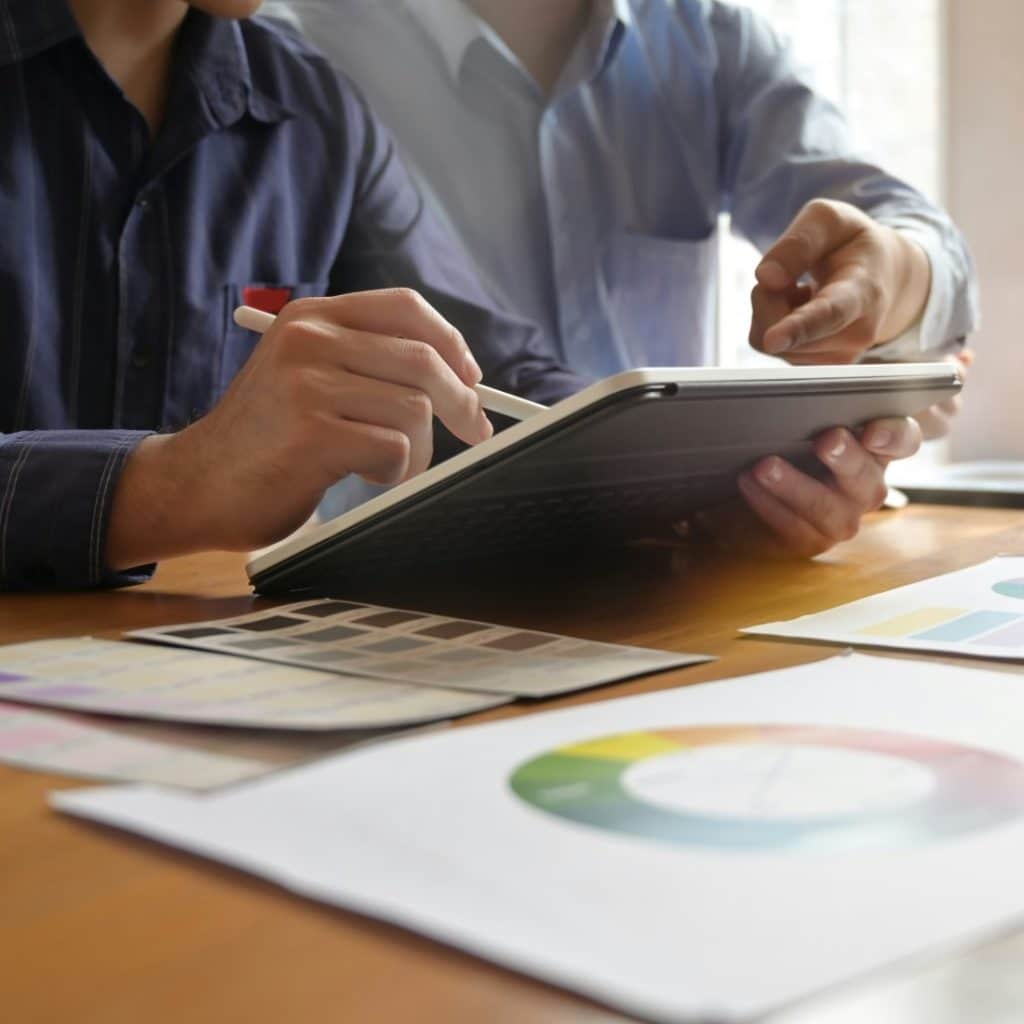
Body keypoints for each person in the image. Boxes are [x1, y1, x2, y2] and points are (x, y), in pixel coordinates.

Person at [268, 0, 978, 556]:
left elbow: (905, 234)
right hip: (388, 590)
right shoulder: (295, 53)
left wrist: (901, 278)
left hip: (672, 565)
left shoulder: (714, 44)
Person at [0, 0, 582, 591]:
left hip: (207, 651)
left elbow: (489, 372)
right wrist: (181, 482)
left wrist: (652, 447)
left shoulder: (311, 106)